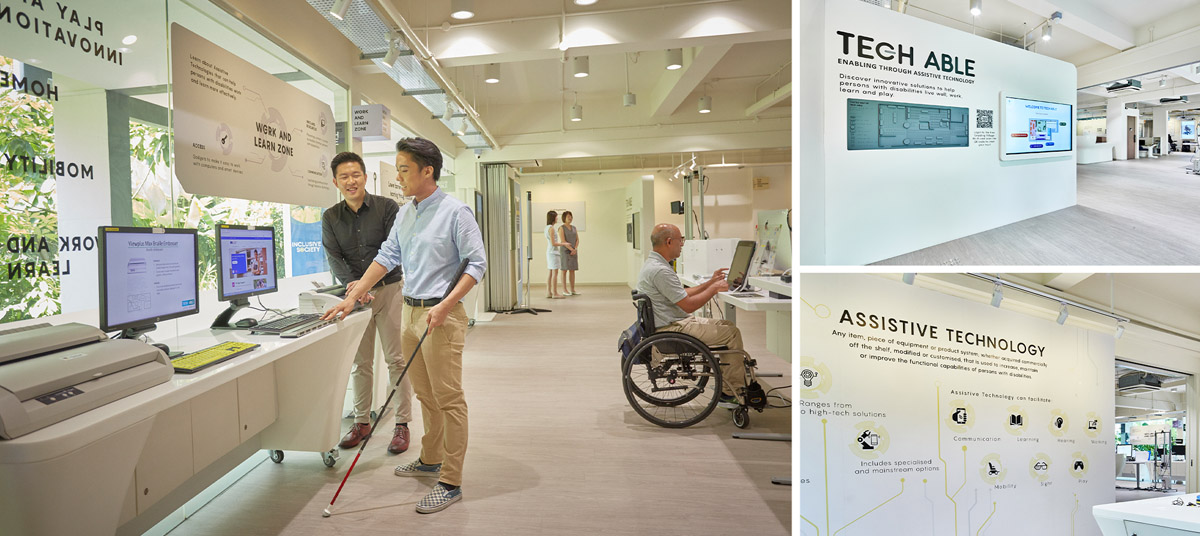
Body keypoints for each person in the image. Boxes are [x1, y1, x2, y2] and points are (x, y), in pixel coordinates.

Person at [322, 137, 486, 515]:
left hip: (440, 316)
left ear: (427, 171)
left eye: (403, 169)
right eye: (396, 169)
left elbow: (476, 264)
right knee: (426, 397)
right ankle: (430, 458)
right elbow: (386, 256)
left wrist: (447, 305)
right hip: (411, 313)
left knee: (449, 399)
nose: (397, 177)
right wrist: (352, 296)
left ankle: (451, 480)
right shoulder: (407, 212)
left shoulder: (455, 212)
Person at [322, 151, 414, 455]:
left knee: (395, 359)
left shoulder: (387, 208)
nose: (351, 181)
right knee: (360, 363)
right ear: (336, 182)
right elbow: (334, 257)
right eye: (344, 177)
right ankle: (361, 422)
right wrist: (355, 290)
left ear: (365, 177)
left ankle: (402, 424)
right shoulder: (330, 216)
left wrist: (367, 284)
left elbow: (392, 250)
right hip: (355, 299)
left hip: (388, 291)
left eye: (356, 175)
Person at [636, 223, 746, 409]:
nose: (682, 244)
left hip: (672, 322)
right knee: (731, 333)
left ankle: (729, 379)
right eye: (681, 240)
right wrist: (713, 289)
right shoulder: (660, 271)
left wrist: (710, 283)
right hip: (673, 327)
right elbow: (689, 304)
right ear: (669, 241)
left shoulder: (655, 265)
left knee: (725, 324)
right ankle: (730, 392)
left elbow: (682, 294)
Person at [544, 211, 571, 299]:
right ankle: (555, 293)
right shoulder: (551, 228)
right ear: (553, 218)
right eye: (556, 217)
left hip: (550, 252)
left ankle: (549, 292)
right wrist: (564, 244)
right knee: (555, 273)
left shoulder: (547, 228)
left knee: (551, 272)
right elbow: (553, 243)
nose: (557, 218)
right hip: (553, 253)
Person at [558, 210, 580, 295]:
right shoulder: (561, 228)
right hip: (565, 251)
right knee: (564, 270)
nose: (570, 218)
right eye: (568, 216)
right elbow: (563, 241)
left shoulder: (574, 228)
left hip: (573, 251)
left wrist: (574, 249)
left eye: (571, 216)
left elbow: (577, 239)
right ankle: (564, 290)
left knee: (572, 270)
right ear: (564, 218)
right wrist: (571, 249)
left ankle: (572, 289)